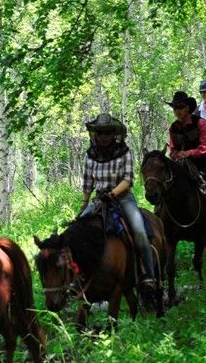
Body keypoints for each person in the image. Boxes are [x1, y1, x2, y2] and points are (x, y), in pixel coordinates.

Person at [78, 114, 156, 290]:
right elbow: (87, 182)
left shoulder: (124, 152)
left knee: (139, 231)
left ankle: (149, 275)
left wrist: (112, 194)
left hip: (123, 198)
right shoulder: (90, 155)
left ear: (113, 134)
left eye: (107, 133)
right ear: (95, 134)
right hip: (99, 199)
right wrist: (84, 205)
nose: (104, 136)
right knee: (77, 232)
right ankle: (78, 279)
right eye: (100, 132)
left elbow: (128, 179)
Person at [167, 91, 206, 232]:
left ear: (187, 108)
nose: (178, 111)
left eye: (180, 107)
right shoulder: (173, 127)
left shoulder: (200, 123)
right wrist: (175, 155)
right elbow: (172, 148)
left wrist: (188, 153)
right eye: (175, 108)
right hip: (182, 163)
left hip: (202, 161)